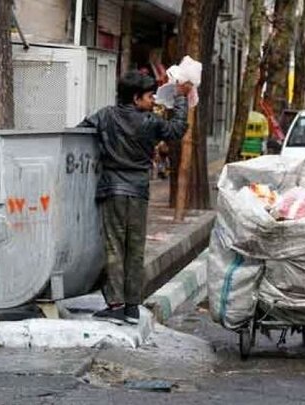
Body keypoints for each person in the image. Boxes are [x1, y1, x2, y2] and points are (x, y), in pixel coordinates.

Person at [78, 71, 192, 325]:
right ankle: (131, 306)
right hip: (139, 192)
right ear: (136, 97)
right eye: (150, 95)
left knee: (114, 248)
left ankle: (115, 305)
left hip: (112, 191)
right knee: (135, 249)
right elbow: (177, 129)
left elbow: (79, 133)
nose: (153, 100)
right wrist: (181, 99)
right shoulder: (150, 122)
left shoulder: (105, 115)